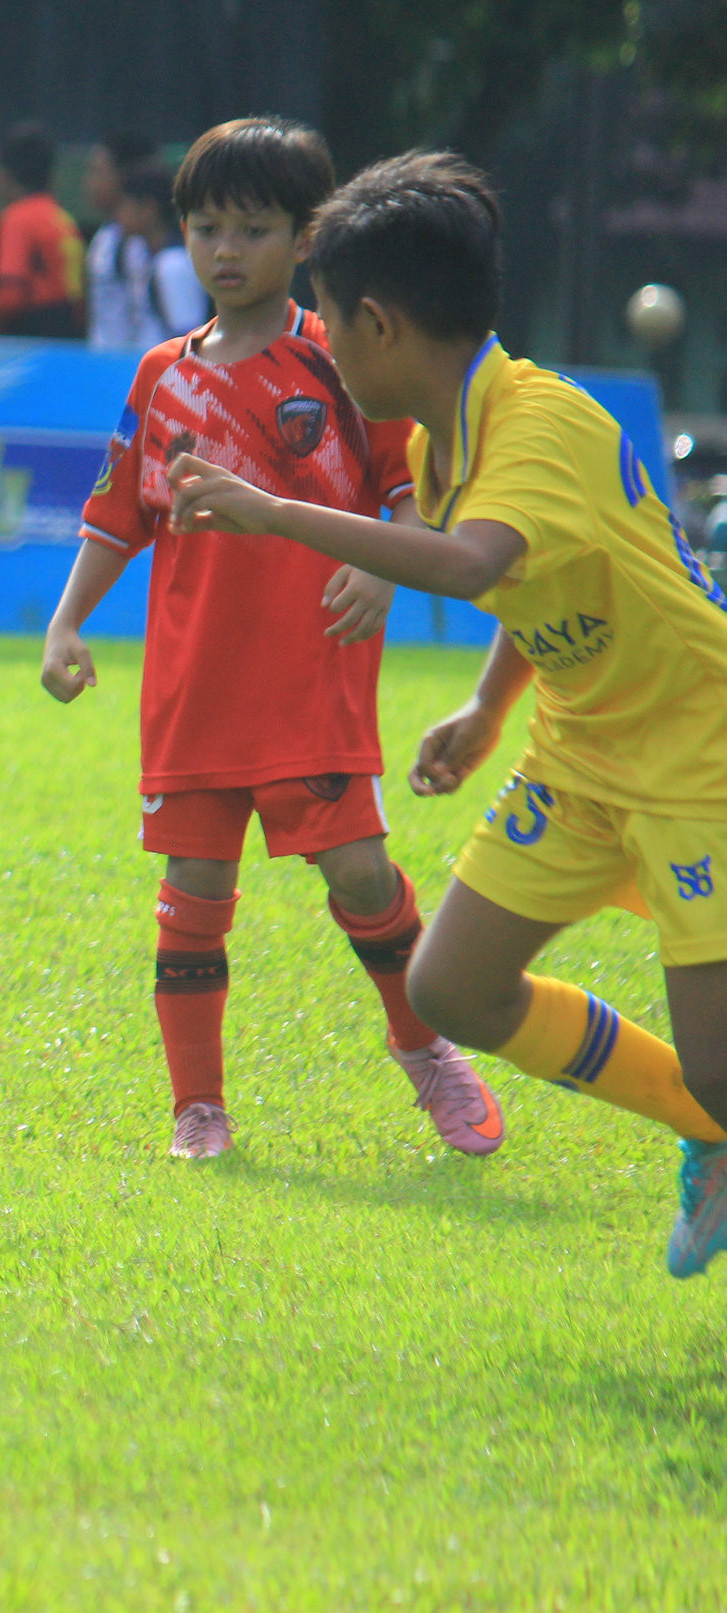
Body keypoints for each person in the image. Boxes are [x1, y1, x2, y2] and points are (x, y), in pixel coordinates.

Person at [168, 151, 727, 1274]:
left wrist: (274, 512)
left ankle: (710, 1113)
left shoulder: (535, 424)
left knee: (721, 1062)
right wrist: (483, 707)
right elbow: (543, 581)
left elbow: (474, 564)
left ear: (372, 321)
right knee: (452, 987)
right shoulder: (440, 435)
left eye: (321, 316)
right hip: (581, 746)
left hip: (697, 755)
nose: (314, 339)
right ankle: (709, 1134)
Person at [39, 117, 501, 1162]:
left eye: (252, 228)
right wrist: (67, 620)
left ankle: (423, 1047)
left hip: (310, 680)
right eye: (205, 228)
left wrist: (388, 562)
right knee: (193, 897)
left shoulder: (339, 359)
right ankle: (195, 1107)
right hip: (193, 687)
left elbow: (414, 490)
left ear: (305, 240)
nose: (225, 250)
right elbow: (119, 513)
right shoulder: (161, 374)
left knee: (360, 873)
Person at [0, 121, 83, 339]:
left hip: (33, 337)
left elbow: (9, 297)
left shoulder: (17, 218)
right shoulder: (62, 219)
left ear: (4, 175)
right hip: (69, 336)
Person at [84, 130, 159, 352]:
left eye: (97, 172)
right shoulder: (106, 237)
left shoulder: (142, 244)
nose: (89, 182)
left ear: (123, 176)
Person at [117, 163, 209, 339]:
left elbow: (187, 336)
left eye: (125, 204)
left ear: (149, 209)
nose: (119, 213)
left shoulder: (173, 265)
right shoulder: (141, 255)